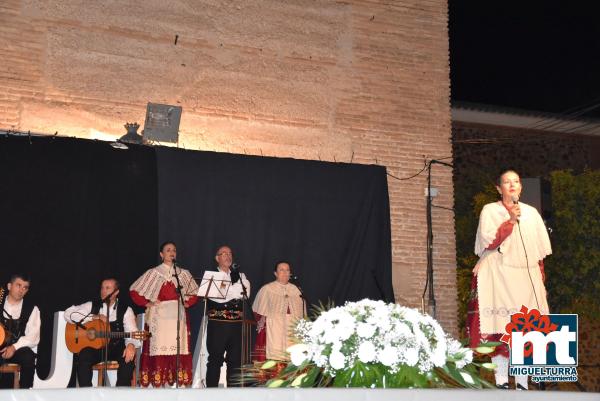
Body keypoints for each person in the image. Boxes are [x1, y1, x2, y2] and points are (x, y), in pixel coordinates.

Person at [467, 170, 551, 390]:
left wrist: (541, 281)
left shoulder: (532, 213)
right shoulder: (490, 210)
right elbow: (489, 241)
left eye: (516, 181)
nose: (512, 185)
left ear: (521, 187)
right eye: (506, 182)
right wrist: (511, 221)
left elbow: (538, 252)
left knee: (525, 330)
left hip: (526, 277)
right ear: (499, 188)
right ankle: (502, 382)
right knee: (500, 328)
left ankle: (523, 383)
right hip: (499, 276)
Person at [130, 241, 199, 387]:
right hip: (159, 317)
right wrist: (147, 303)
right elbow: (134, 290)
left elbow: (195, 292)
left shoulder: (183, 273)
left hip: (177, 316)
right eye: (168, 250)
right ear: (161, 254)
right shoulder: (154, 273)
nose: (172, 252)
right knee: (159, 350)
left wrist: (188, 303)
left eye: (174, 250)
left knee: (178, 348)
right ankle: (157, 383)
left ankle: (176, 384)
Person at [64, 278, 140, 387]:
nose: (103, 291)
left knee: (128, 359)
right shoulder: (93, 305)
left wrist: (131, 344)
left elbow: (132, 332)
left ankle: (121, 395)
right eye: (102, 288)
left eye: (107, 288)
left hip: (116, 348)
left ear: (116, 292)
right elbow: (68, 314)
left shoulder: (126, 310)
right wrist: (94, 317)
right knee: (84, 356)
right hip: (97, 349)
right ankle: (87, 395)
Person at [205, 245, 251, 387]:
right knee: (215, 360)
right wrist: (232, 290)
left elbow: (245, 294)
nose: (228, 256)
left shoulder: (240, 275)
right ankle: (210, 395)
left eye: (230, 253)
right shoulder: (212, 276)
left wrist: (227, 290)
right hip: (218, 324)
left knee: (235, 361)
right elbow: (219, 297)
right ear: (217, 258)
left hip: (236, 324)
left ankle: (234, 395)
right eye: (223, 253)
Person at [252, 262, 305, 361]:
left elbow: (302, 315)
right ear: (275, 273)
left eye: (287, 270)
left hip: (292, 330)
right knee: (275, 359)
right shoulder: (267, 289)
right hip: (274, 329)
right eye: (281, 270)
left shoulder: (296, 290)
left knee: (293, 357)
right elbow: (258, 312)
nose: (285, 272)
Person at [0, 274, 40, 389]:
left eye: (25, 287)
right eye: (18, 285)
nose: (22, 290)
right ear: (9, 286)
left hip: (16, 350)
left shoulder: (32, 308)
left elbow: (33, 337)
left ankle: (24, 395)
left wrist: (14, 347)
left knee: (29, 356)